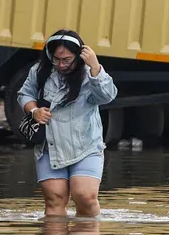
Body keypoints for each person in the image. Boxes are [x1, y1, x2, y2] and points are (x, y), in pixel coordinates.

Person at [18, 29, 118, 218]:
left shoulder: (90, 73)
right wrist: (34, 111)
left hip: (86, 146)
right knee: (54, 199)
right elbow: (25, 94)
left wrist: (96, 67)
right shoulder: (39, 71)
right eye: (56, 59)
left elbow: (107, 97)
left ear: (79, 57)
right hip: (50, 147)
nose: (61, 64)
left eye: (67, 60)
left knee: (85, 196)